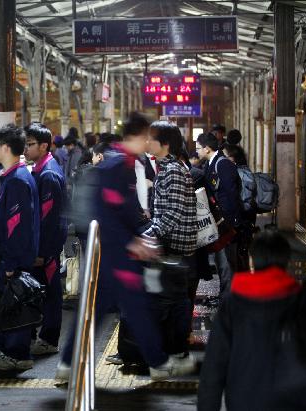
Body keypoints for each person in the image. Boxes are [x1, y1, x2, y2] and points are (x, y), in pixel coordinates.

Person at [56, 112, 195, 381]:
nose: (149, 143)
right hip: (116, 255)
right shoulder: (116, 166)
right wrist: (135, 242)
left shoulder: (125, 164)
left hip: (116, 254)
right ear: (139, 135)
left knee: (96, 312)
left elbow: (126, 210)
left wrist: (143, 236)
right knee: (137, 309)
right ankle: (157, 362)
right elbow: (105, 213)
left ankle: (67, 364)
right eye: (147, 137)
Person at [198, 230, 306, 410]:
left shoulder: (233, 304)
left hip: (245, 399)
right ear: (286, 260)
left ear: (252, 260)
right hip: (297, 399)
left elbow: (215, 364)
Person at [0, 124, 40, 371]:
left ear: (6, 147)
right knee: (11, 303)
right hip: (11, 257)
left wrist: (10, 263)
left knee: (10, 305)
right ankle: (12, 351)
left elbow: (16, 226)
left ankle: (15, 354)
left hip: (10, 259)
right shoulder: (17, 176)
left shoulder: (16, 180)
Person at [144, 121, 198, 358]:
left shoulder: (173, 170)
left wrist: (149, 234)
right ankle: (173, 349)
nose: (147, 142)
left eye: (151, 138)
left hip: (174, 245)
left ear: (164, 144)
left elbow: (174, 212)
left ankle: (176, 351)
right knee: (173, 299)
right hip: (171, 242)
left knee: (175, 301)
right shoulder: (167, 168)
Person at [23, 122, 68, 355]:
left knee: (51, 294)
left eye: (30, 145)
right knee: (42, 292)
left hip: (46, 249)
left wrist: (42, 251)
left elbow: (48, 218)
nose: (25, 149)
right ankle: (39, 336)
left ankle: (49, 339)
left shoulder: (48, 174)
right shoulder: (40, 169)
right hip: (42, 246)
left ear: (43, 146)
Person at [196, 132, 242, 296]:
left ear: (207, 149)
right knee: (222, 263)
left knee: (226, 265)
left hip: (226, 224)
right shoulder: (210, 163)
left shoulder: (223, 165)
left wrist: (231, 222)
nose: (197, 152)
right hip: (219, 222)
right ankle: (226, 301)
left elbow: (231, 194)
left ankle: (228, 304)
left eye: (198, 148)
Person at [223, 143, 256, 271]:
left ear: (233, 158)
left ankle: (240, 284)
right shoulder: (245, 171)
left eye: (225, 156)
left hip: (240, 218)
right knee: (242, 252)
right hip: (247, 218)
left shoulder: (238, 173)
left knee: (236, 254)